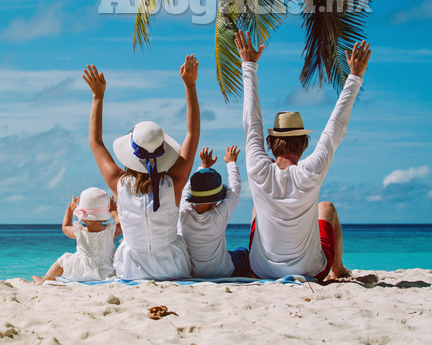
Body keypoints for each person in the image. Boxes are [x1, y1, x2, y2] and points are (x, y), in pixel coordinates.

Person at [235, 30, 371, 282]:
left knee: (257, 209)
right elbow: (335, 129)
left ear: (270, 143)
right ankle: (338, 269)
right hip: (310, 271)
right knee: (326, 208)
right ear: (304, 143)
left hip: (260, 270)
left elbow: (251, 121)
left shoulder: (256, 166)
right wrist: (354, 77)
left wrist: (249, 66)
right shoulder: (310, 171)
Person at [82, 55, 201, 280]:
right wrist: (190, 86)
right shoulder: (173, 184)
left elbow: (95, 142)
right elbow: (192, 134)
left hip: (131, 269)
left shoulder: (120, 183)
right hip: (172, 268)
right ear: (163, 152)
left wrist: (97, 97)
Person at [178, 146, 250, 278]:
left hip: (194, 273)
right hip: (223, 272)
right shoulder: (218, 216)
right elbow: (234, 190)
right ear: (216, 201)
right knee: (242, 251)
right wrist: (231, 163)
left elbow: (186, 190)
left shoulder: (184, 213)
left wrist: (203, 167)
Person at [32, 187, 121, 283]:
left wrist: (69, 210)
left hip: (82, 271)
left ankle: (45, 279)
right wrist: (113, 211)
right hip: (108, 270)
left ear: (82, 216)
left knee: (64, 259)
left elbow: (65, 227)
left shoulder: (79, 231)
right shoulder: (111, 231)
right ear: (104, 217)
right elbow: (121, 225)